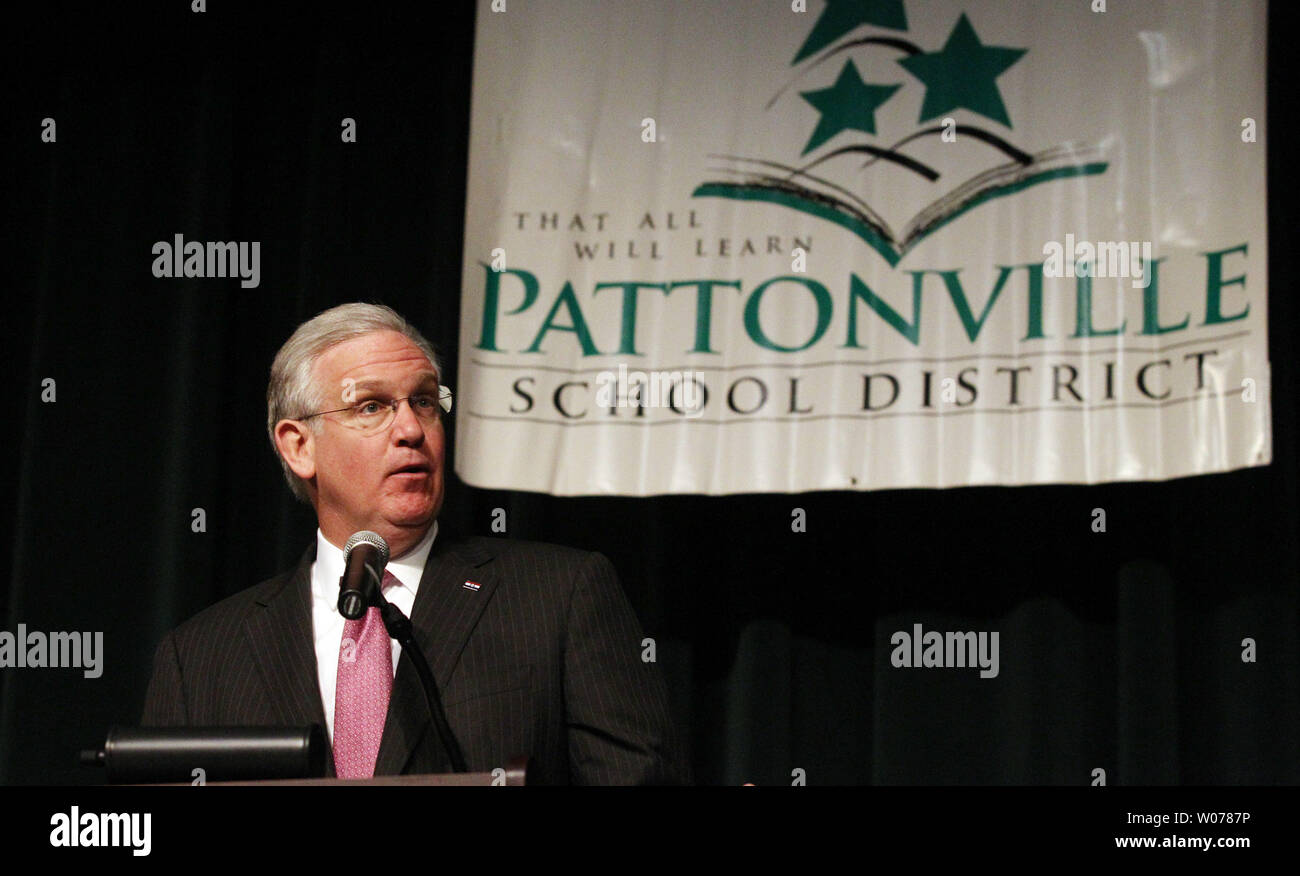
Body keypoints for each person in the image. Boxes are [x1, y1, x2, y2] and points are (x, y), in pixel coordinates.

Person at [140, 302, 689, 785]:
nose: (410, 428)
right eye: (371, 407)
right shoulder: (202, 656)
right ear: (299, 446)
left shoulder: (561, 597)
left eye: (424, 401)